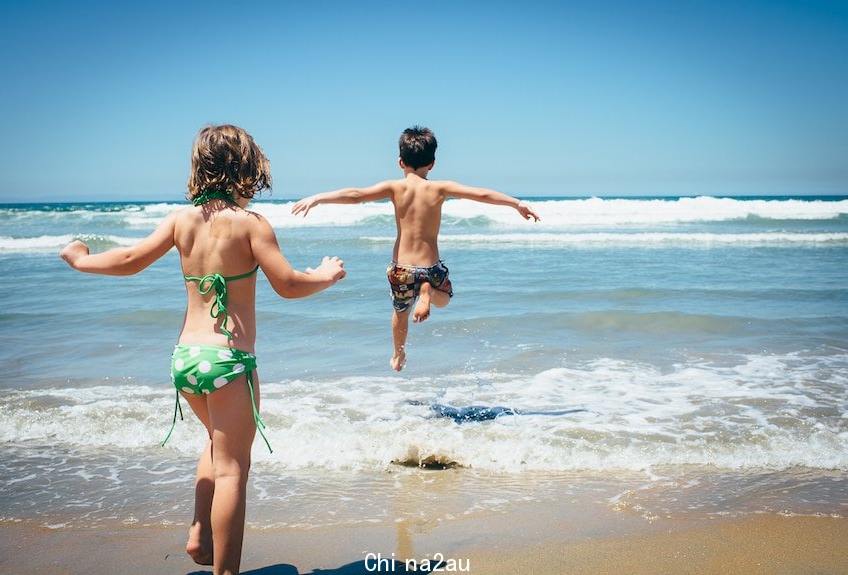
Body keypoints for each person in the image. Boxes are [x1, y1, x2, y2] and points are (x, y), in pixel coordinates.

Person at [60, 124, 346, 575]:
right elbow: (289, 285)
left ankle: (200, 531)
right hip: (229, 361)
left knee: (215, 442)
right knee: (234, 468)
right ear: (248, 169)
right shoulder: (252, 225)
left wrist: (79, 259)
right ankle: (226, 571)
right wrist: (327, 275)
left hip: (185, 360)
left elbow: (129, 261)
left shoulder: (181, 221)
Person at [291, 125, 538, 372]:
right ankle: (427, 291)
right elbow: (481, 194)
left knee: (400, 312)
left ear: (400, 162)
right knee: (445, 300)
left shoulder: (395, 188)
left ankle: (398, 355)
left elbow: (356, 195)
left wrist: (318, 197)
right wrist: (516, 203)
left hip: (402, 269)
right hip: (430, 267)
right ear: (432, 163)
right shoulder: (440, 188)